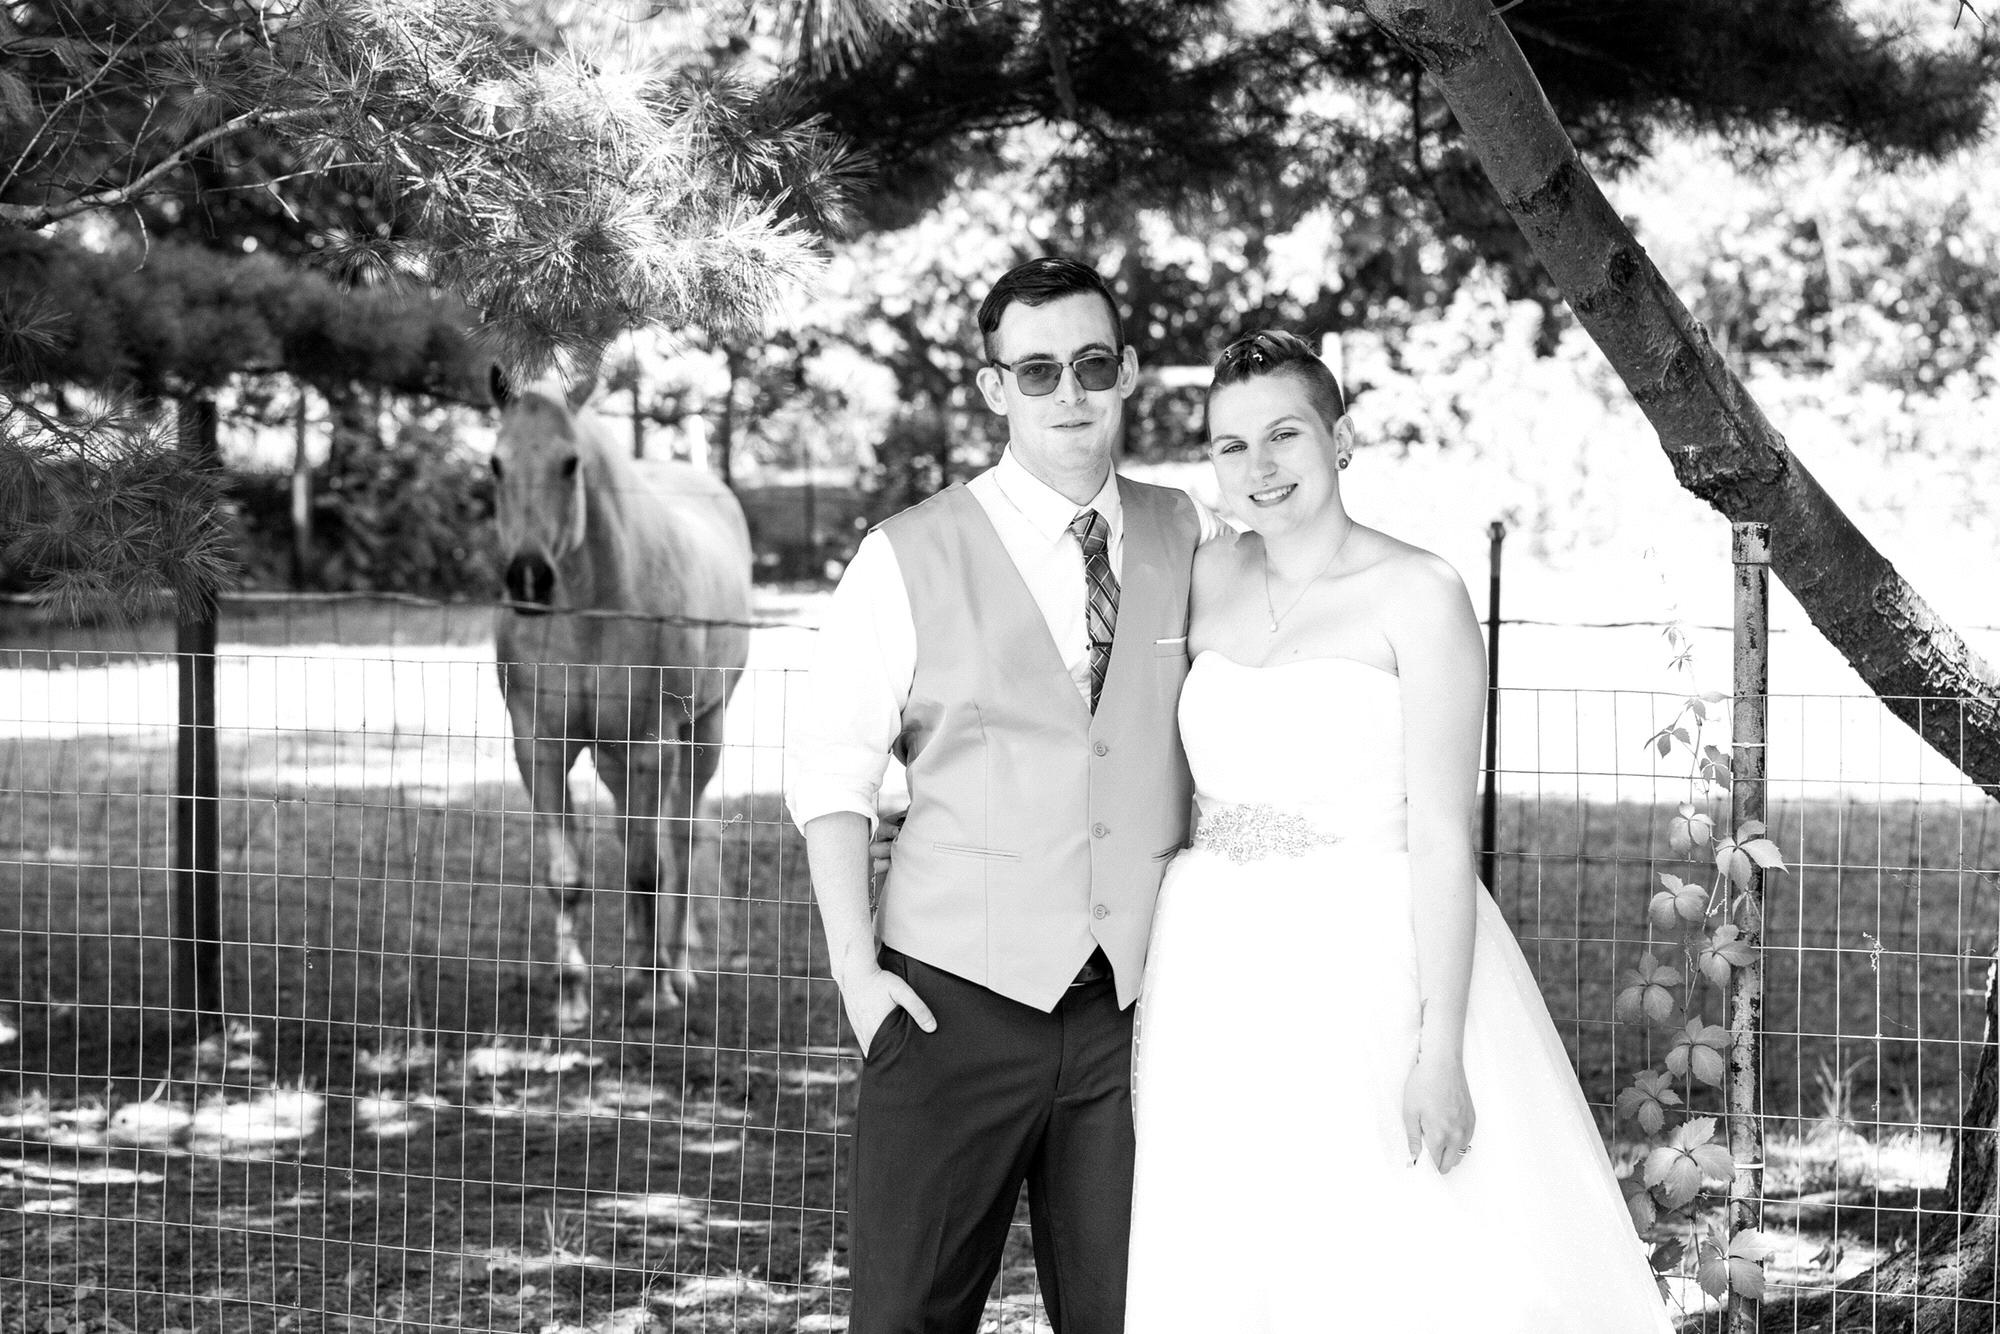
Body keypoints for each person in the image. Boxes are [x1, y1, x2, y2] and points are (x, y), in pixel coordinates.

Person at [1121, 329, 1674, 1331]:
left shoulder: (1419, 592)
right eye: (1231, 445)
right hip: (1214, 960)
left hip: (1365, 954)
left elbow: (1443, 837)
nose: (1259, 465)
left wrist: (1439, 1045)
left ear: (1340, 440)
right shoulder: (1202, 577)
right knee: (1240, 1242)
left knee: (1391, 1245)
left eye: (1284, 434)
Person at [786, 256, 1225, 1333]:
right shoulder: (903, 555)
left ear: (1127, 372)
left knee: (1133, 1316)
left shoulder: (1192, 534)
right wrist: (856, 976)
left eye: (1091, 364)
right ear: (994, 388)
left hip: (1135, 1010)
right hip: (951, 1004)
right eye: (1036, 371)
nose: (1068, 393)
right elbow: (832, 773)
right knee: (906, 1317)